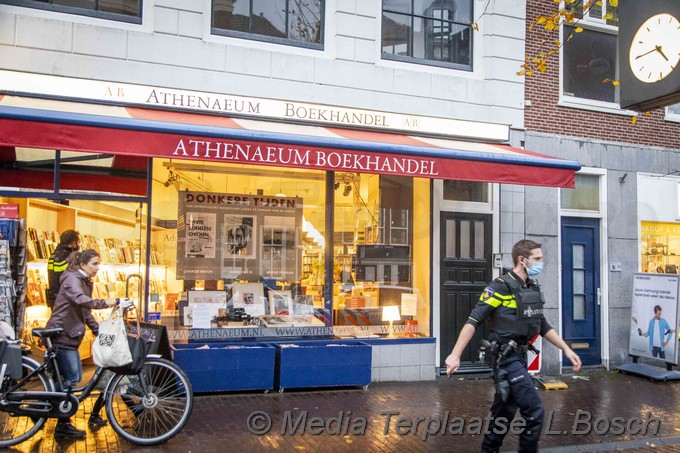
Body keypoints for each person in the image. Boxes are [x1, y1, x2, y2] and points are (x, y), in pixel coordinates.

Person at [445, 239, 582, 453]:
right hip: (504, 358)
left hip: (519, 356)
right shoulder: (499, 286)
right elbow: (473, 321)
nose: (541, 262)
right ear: (522, 259)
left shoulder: (530, 287)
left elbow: (542, 325)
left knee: (505, 410)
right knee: (534, 410)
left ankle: (488, 450)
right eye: (537, 259)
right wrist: (455, 354)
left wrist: (566, 349)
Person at [43, 249, 118, 438]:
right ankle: (62, 422)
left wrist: (98, 330)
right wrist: (107, 302)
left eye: (99, 264)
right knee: (72, 378)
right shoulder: (72, 280)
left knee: (67, 379)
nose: (98, 268)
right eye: (94, 263)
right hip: (62, 334)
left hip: (69, 335)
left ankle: (57, 413)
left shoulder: (83, 281)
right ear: (82, 264)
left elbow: (84, 312)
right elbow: (81, 300)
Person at [47, 230, 81, 308]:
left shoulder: (53, 256)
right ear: (74, 243)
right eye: (79, 242)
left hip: (54, 300)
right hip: (66, 302)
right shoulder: (69, 257)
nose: (79, 245)